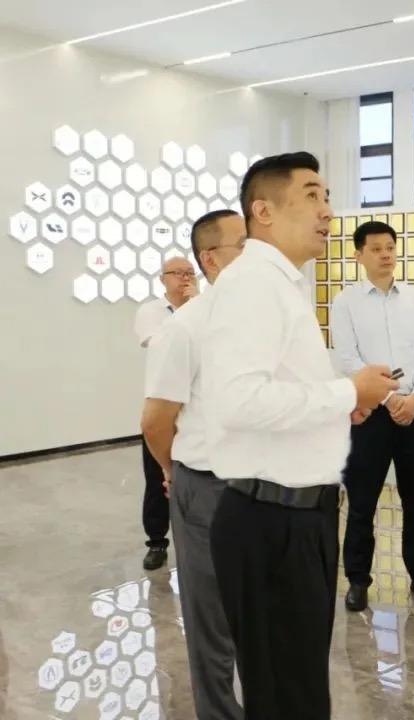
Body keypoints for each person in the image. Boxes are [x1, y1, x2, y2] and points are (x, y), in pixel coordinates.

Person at [200, 151, 399, 720]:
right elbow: (238, 401)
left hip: (299, 516)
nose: (328, 211)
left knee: (301, 687)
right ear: (263, 211)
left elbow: (279, 392)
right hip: (270, 522)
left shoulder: (282, 284)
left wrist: (340, 406)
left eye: (327, 197)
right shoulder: (252, 285)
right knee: (286, 696)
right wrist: (346, 393)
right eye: (312, 195)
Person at [140, 209, 246, 720]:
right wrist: (173, 470)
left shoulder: (261, 320)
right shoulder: (182, 328)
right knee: (211, 619)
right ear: (211, 259)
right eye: (242, 246)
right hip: (208, 485)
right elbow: (156, 420)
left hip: (265, 482)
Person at [330, 220, 414, 613]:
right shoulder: (345, 302)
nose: (385, 255)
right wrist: (388, 398)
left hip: (413, 410)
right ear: (359, 255)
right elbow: (347, 358)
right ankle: (358, 580)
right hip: (369, 413)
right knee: (362, 500)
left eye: (390, 247)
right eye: (376, 249)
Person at [132, 255, 197, 570]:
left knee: (196, 479)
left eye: (190, 272)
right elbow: (159, 343)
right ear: (162, 279)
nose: (185, 278)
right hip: (164, 408)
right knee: (157, 479)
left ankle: (195, 541)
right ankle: (156, 542)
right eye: (177, 273)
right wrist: (190, 310)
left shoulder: (205, 307)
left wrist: (197, 306)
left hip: (196, 410)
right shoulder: (151, 311)